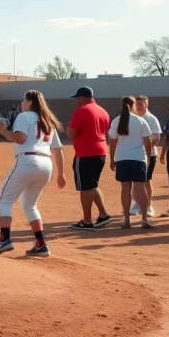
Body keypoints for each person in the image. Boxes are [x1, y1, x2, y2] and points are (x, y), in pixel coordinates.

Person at [0, 91, 66, 258]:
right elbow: (57, 149)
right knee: (30, 205)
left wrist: (4, 132)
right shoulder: (47, 120)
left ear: (30, 102)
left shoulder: (25, 116)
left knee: (4, 200)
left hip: (28, 161)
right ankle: (41, 244)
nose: (22, 103)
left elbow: (21, 139)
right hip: (46, 165)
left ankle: (4, 239)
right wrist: (61, 173)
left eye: (23, 100)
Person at [67, 87, 112, 231]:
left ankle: (87, 221)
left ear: (83, 97)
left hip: (85, 153)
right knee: (93, 185)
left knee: (85, 187)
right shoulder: (102, 111)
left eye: (78, 98)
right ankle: (103, 214)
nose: (77, 101)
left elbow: (71, 133)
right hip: (101, 152)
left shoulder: (81, 111)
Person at [109, 96, 154, 229]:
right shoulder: (140, 121)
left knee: (125, 189)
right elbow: (148, 141)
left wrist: (112, 158)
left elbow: (113, 141)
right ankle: (144, 219)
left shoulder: (116, 121)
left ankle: (127, 219)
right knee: (140, 189)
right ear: (133, 105)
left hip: (122, 158)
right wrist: (149, 157)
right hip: (138, 158)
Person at [130, 96, 161, 217]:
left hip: (149, 155)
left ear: (146, 104)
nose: (138, 106)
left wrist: (144, 145)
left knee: (146, 180)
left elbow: (156, 138)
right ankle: (136, 204)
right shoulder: (133, 118)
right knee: (135, 180)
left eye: (141, 104)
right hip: (134, 154)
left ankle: (148, 206)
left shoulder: (151, 119)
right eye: (136, 104)